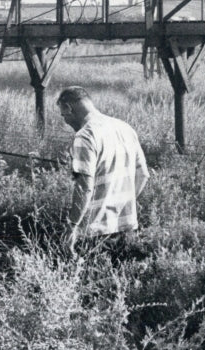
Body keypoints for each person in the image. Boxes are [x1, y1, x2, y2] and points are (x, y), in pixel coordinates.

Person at [56, 86, 149, 261]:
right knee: (122, 282)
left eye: (64, 115)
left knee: (91, 283)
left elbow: (84, 187)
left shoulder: (85, 136)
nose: (66, 121)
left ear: (69, 108)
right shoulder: (124, 128)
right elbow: (143, 174)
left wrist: (72, 227)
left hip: (96, 231)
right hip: (128, 225)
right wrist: (124, 201)